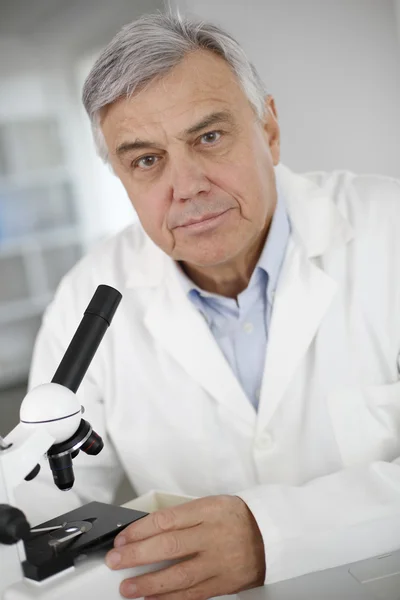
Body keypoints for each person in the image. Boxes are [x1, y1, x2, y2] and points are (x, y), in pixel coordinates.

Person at [17, 10, 400, 600]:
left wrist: (273, 533)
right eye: (146, 160)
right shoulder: (83, 299)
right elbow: (42, 495)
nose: (188, 185)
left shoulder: (389, 231)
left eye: (210, 137)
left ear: (269, 130)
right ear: (121, 177)